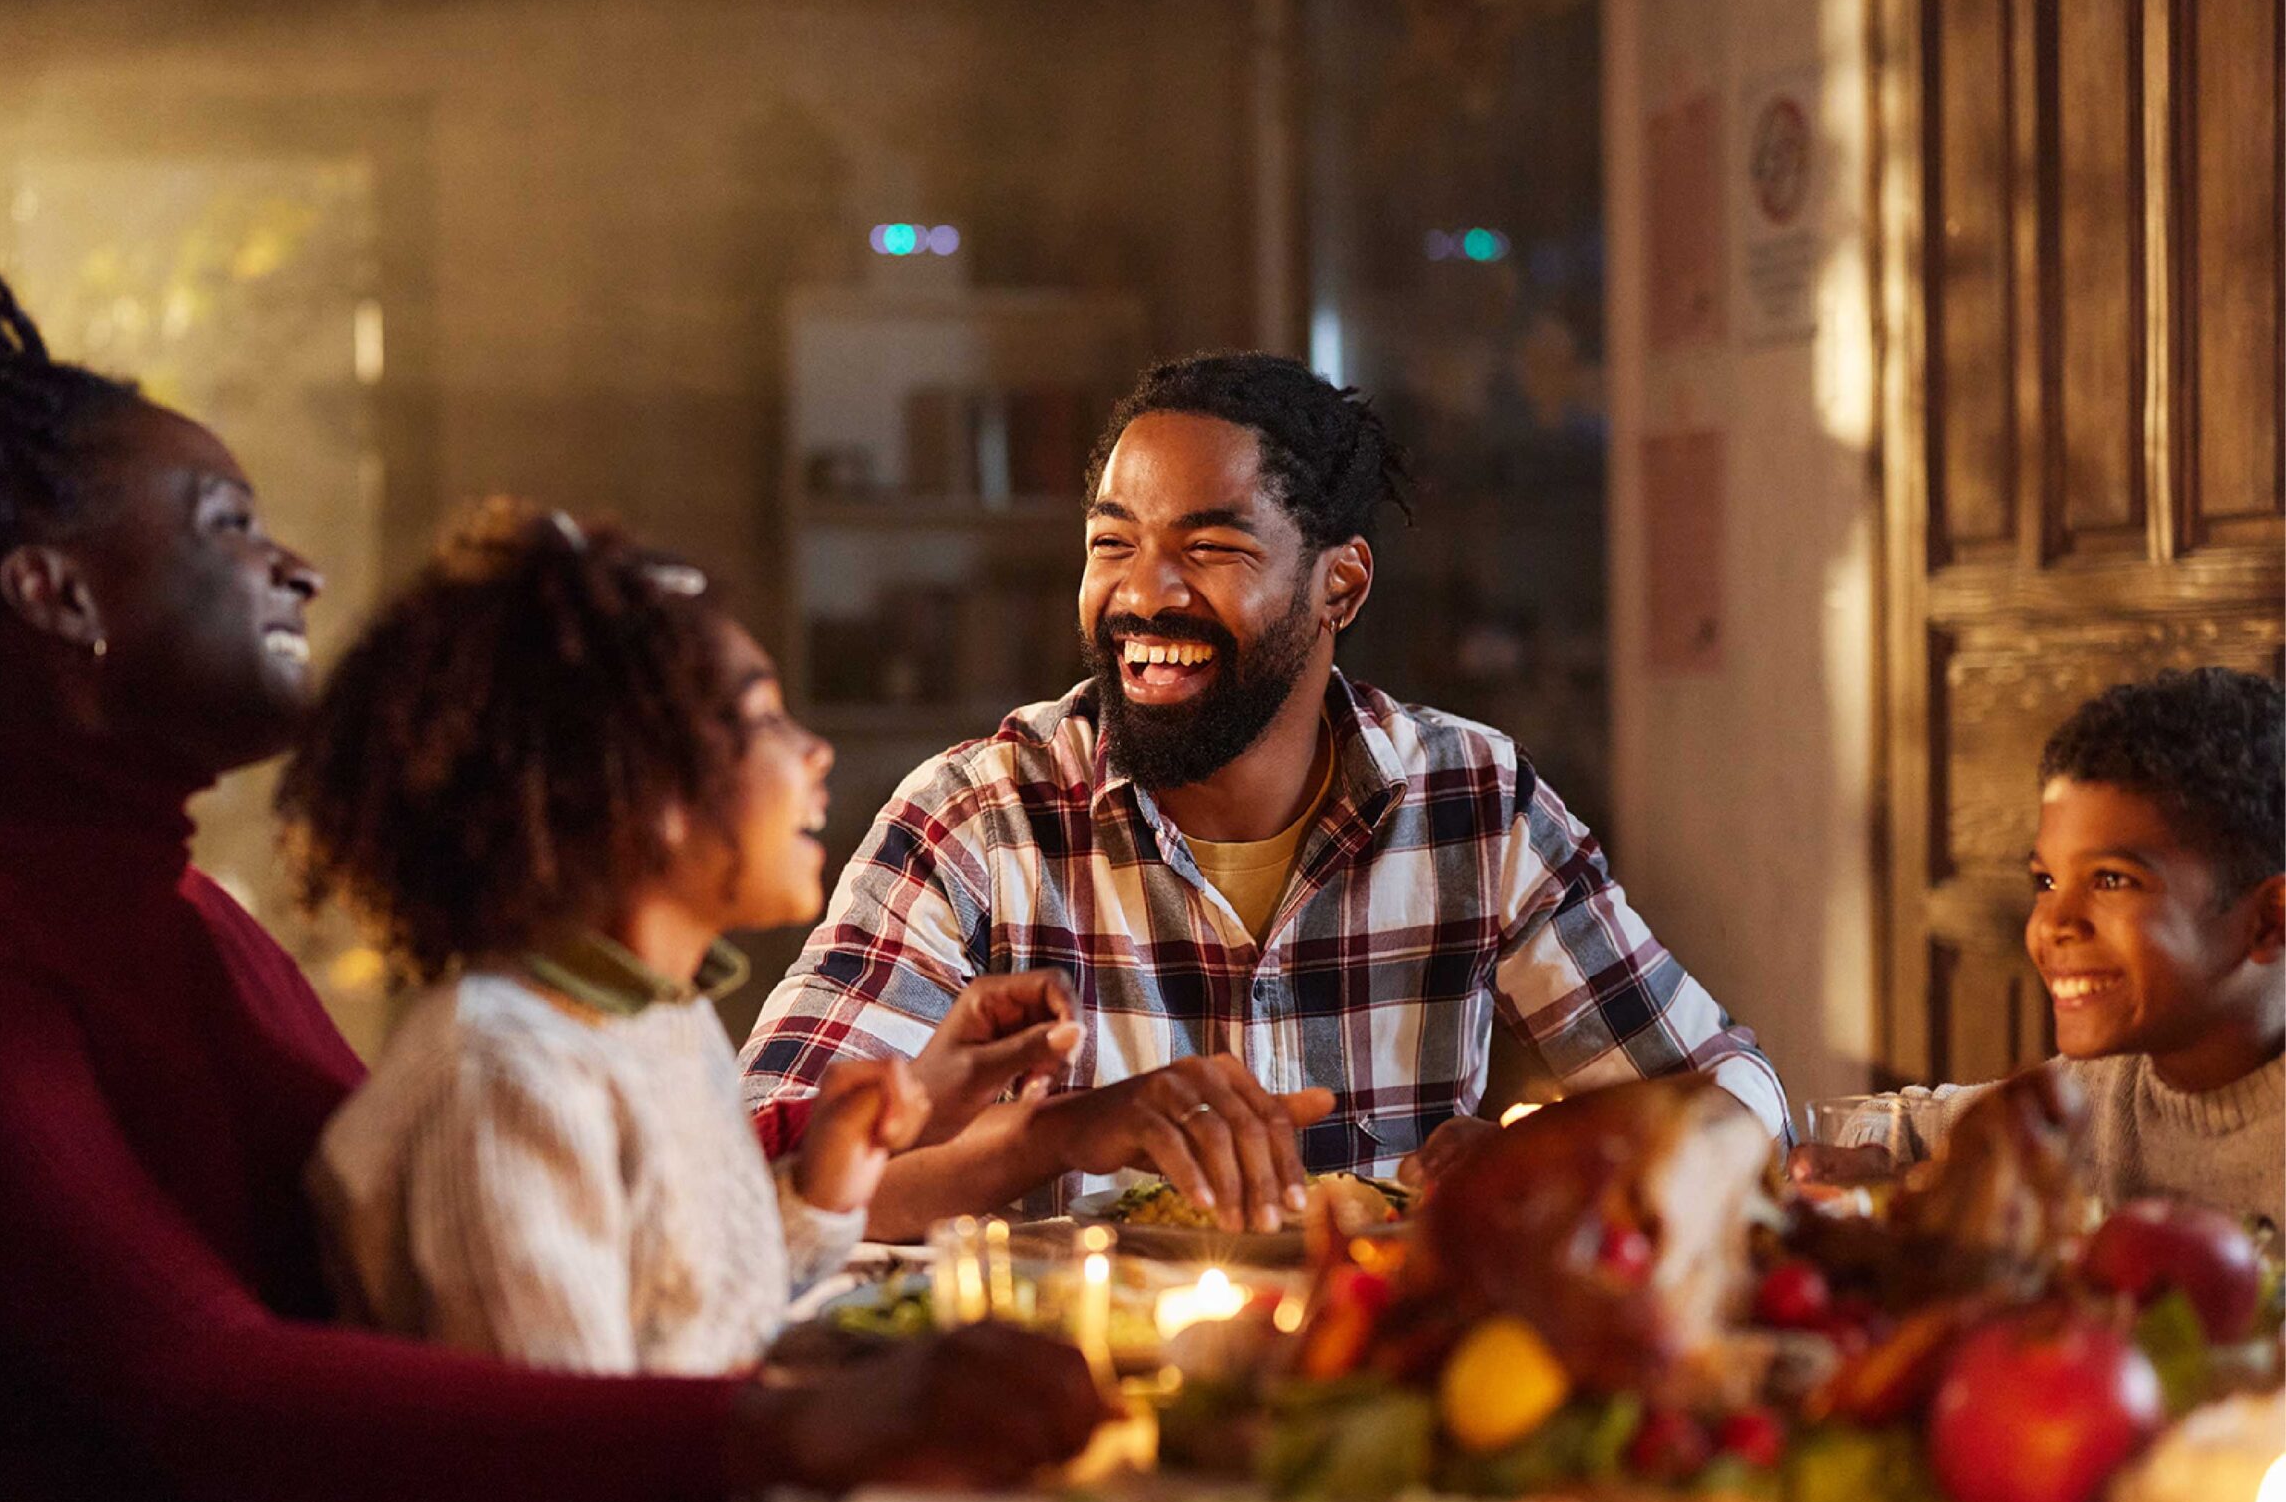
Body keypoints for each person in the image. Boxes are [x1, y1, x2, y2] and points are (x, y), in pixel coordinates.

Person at [0, 231, 1103, 1502]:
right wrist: (778, 1431)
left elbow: (479, 1218)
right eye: (227, 524)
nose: (298, 566)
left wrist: (842, 1144)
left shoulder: (179, 910)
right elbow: (210, 1386)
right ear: (54, 592)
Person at [276, 500, 1083, 1502]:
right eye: (764, 721)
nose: (814, 751)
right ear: (639, 791)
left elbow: (681, 1324)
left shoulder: (652, 1012)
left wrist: (823, 1196)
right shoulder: (500, 1078)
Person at [742, 351, 1789, 1242]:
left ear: (1341, 585)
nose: (1144, 592)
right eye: (1113, 544)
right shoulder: (979, 820)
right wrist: (1062, 1134)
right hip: (1081, 1411)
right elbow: (765, 1181)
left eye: (1209, 547)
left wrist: (1546, 1152)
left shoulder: (1472, 799)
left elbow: (1739, 1104)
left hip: (1382, 1401)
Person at [1793, 667, 2283, 1219]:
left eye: (2111, 880)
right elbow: (1913, 1128)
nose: (2053, 924)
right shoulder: (2101, 1094)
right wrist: (1886, 1171)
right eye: (2046, 882)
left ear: (2269, 921)